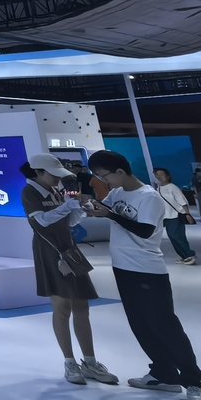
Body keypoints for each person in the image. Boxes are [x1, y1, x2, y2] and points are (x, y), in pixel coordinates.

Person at [84, 150, 201, 400]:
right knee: (140, 324)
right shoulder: (118, 193)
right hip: (123, 268)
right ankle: (163, 373)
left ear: (120, 171)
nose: (103, 181)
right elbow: (107, 209)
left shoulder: (148, 197)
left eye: (104, 175)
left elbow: (145, 231)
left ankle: (195, 383)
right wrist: (93, 208)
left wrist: (110, 215)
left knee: (165, 326)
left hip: (147, 270)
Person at [20, 154, 116, 386]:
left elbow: (69, 222)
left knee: (82, 305)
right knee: (62, 306)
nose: (58, 179)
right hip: (49, 250)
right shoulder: (30, 192)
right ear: (39, 172)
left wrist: (80, 209)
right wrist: (68, 205)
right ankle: (69, 362)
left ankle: (90, 362)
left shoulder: (55, 191)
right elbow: (42, 221)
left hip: (69, 249)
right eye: (53, 175)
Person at [153, 168, 198, 264]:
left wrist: (187, 213)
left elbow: (182, 201)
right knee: (172, 236)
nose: (159, 177)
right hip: (166, 216)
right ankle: (184, 256)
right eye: (157, 175)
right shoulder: (158, 188)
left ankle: (189, 255)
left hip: (176, 215)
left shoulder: (173, 187)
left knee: (178, 236)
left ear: (167, 176)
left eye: (162, 174)